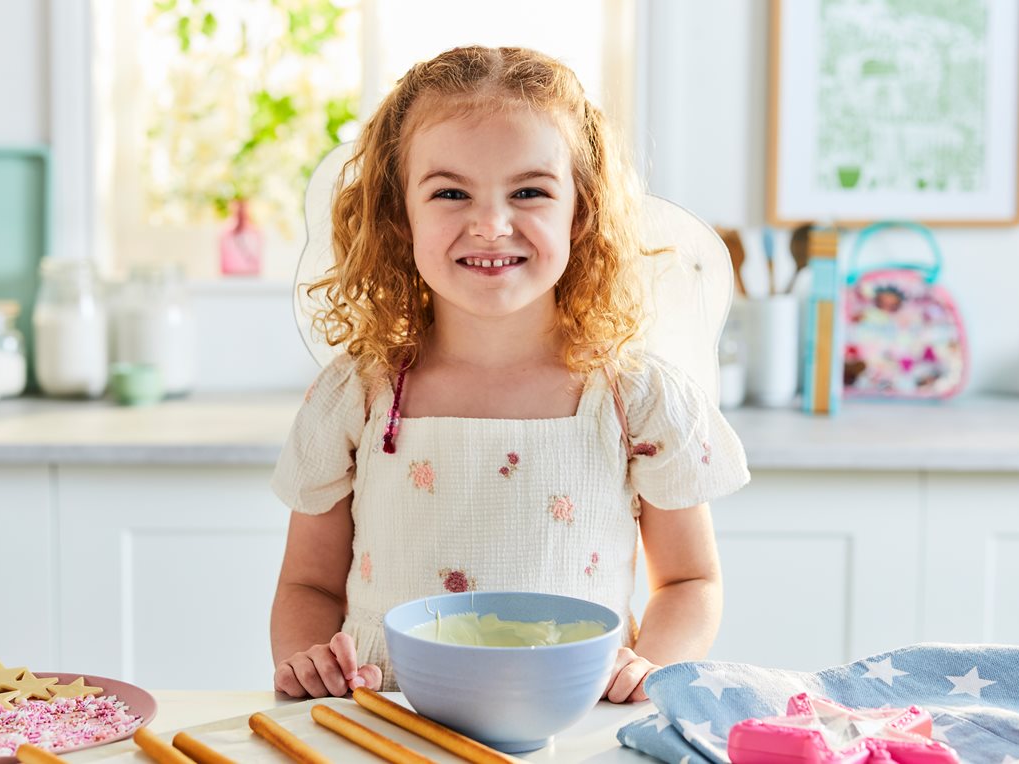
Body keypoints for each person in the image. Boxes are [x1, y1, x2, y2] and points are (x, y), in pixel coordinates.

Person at [269, 45, 749, 703]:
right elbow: (310, 586)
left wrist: (648, 663)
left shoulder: (635, 397)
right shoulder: (358, 395)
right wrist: (308, 662)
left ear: (579, 212)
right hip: (385, 728)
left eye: (528, 191)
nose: (491, 224)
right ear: (398, 215)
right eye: (449, 192)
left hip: (575, 729)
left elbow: (692, 583)